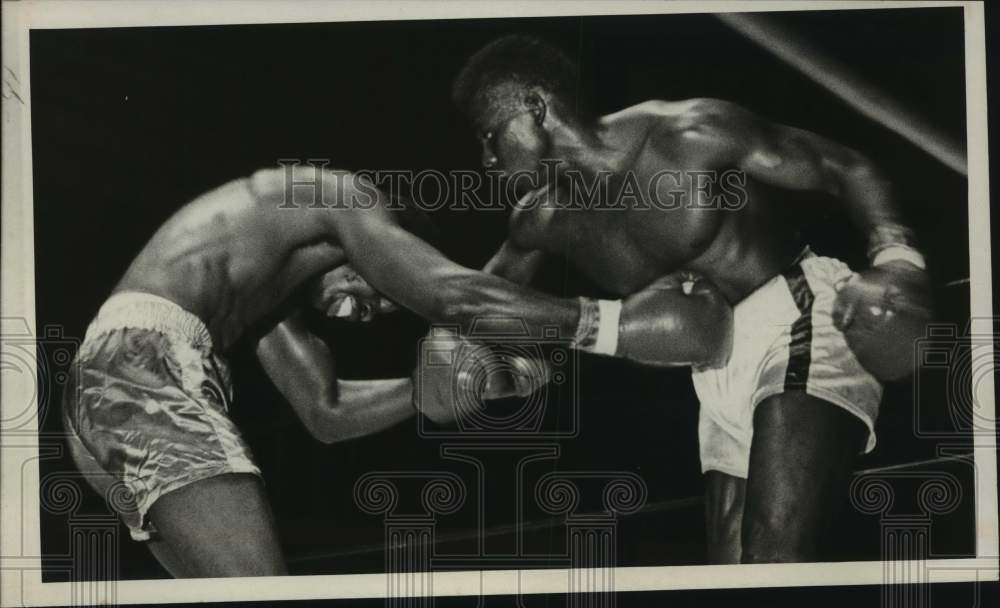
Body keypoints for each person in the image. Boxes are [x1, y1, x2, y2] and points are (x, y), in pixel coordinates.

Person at [62, 166, 733, 577]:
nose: (365, 314)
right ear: (381, 243)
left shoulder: (262, 294)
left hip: (106, 396)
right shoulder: (342, 197)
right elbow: (449, 296)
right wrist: (611, 319)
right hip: (145, 372)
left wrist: (430, 391)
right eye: (382, 288)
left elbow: (324, 413)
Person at [447, 34, 933, 563]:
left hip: (799, 314)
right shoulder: (541, 220)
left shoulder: (686, 133)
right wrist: (472, 359)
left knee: (776, 554)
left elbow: (842, 167)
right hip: (711, 369)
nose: (487, 158)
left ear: (536, 108)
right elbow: (473, 303)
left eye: (491, 134)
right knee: (729, 574)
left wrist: (897, 260)